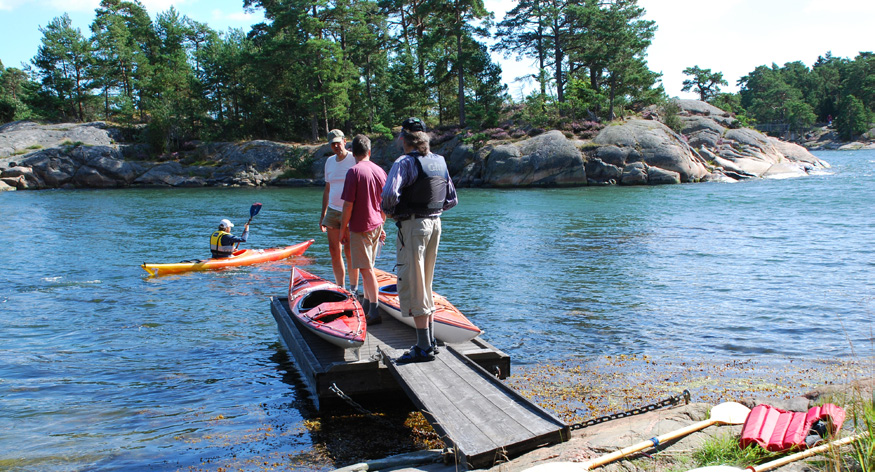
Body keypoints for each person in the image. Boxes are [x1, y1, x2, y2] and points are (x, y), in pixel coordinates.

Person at [381, 117, 457, 363]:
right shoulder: (439, 162)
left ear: (404, 139)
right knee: (426, 282)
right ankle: (430, 343)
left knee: (414, 283)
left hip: (413, 226)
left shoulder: (404, 162)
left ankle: (423, 348)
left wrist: (391, 213)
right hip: (435, 224)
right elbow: (452, 199)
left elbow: (389, 195)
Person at [340, 135, 387, 324]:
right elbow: (384, 203)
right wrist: (382, 224)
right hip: (376, 225)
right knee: (368, 267)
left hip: (361, 227)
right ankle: (368, 306)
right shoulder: (380, 171)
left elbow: (348, 205)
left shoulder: (354, 172)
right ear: (369, 151)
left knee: (366, 270)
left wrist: (343, 229)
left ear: (353, 152)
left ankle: (374, 312)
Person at [320, 129, 360, 293]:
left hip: (350, 211)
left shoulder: (354, 159)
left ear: (345, 141)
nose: (336, 146)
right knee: (334, 250)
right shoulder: (329, 162)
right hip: (332, 211)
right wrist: (322, 214)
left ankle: (354, 289)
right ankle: (340, 287)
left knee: (350, 251)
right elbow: (328, 189)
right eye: (332, 143)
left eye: (338, 142)